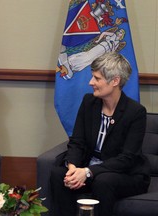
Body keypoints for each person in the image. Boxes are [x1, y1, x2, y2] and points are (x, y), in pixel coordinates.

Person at [50, 52, 150, 216]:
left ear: (115, 81)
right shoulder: (89, 103)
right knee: (58, 174)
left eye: (97, 78)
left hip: (124, 174)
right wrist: (73, 168)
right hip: (89, 168)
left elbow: (128, 158)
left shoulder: (135, 112)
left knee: (103, 181)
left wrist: (88, 172)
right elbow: (77, 142)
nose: (91, 82)